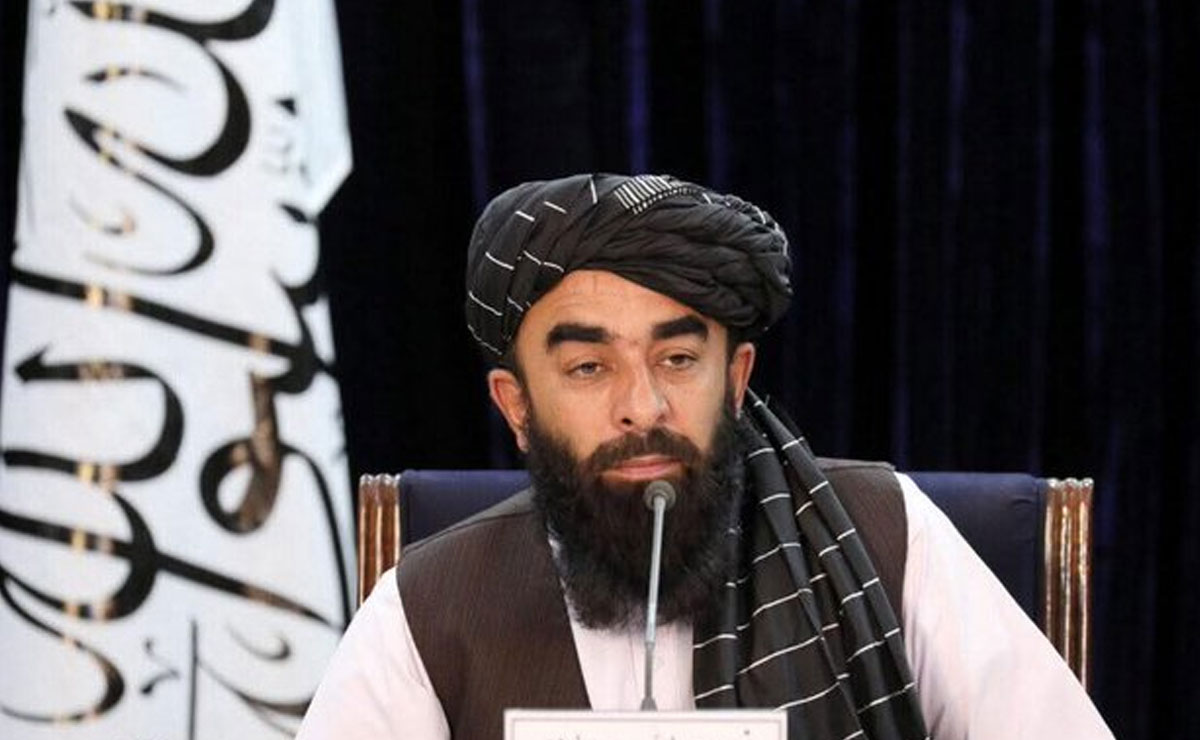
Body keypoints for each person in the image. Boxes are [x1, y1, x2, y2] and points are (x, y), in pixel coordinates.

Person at [296, 174, 1113, 740]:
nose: (643, 406)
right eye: (589, 368)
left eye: (678, 359)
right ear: (517, 406)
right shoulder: (430, 605)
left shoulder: (884, 533)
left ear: (735, 379)